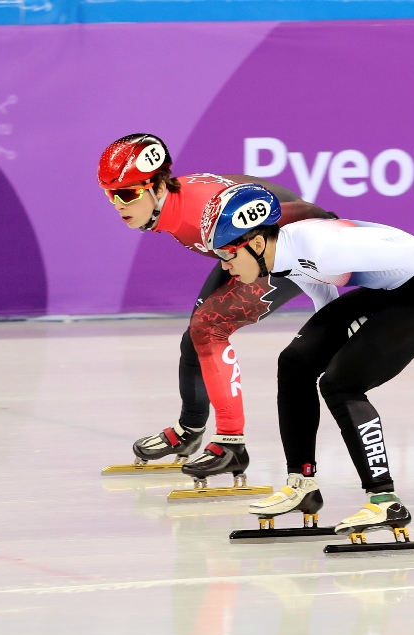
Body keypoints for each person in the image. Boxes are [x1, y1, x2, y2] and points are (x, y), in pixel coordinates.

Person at [198, 183, 414, 538]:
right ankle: (302, 484)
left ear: (257, 243)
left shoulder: (327, 248)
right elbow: (317, 283)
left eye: (227, 255)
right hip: (381, 292)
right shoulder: (283, 253)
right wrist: (327, 338)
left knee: (340, 383)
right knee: (295, 363)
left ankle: (385, 499)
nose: (225, 267)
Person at [97, 133, 335, 486]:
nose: (117, 203)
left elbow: (304, 213)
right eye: (110, 194)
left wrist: (321, 266)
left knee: (208, 328)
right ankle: (190, 429)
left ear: (156, 186)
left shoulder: (198, 209)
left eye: (127, 193)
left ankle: (230, 444)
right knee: (195, 337)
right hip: (244, 245)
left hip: (291, 248)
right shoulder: (179, 203)